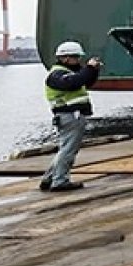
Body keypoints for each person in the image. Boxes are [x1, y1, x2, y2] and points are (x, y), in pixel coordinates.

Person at [39, 41, 102, 192]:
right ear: (66, 58)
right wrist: (89, 68)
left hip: (72, 116)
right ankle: (60, 181)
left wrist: (93, 71)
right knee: (68, 150)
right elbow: (74, 82)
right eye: (76, 57)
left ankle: (49, 178)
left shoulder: (68, 73)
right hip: (70, 116)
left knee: (65, 148)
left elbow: (85, 82)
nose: (78, 60)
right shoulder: (57, 75)